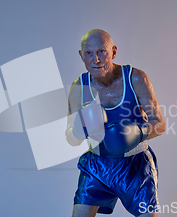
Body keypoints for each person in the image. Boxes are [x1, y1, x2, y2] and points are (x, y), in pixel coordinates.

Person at [66, 29, 166, 217]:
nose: (96, 60)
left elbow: (159, 123)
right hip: (96, 166)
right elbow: (70, 136)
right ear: (81, 56)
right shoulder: (79, 87)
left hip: (135, 166)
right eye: (89, 53)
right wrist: (79, 130)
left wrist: (136, 133)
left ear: (113, 51)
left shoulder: (135, 78)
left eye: (101, 52)